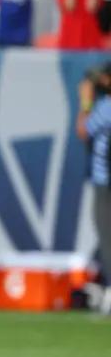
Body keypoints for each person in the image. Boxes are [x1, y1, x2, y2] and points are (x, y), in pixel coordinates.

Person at [76, 62, 111, 315]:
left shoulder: (105, 107)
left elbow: (83, 130)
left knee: (107, 237)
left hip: (105, 183)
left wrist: (86, 102)